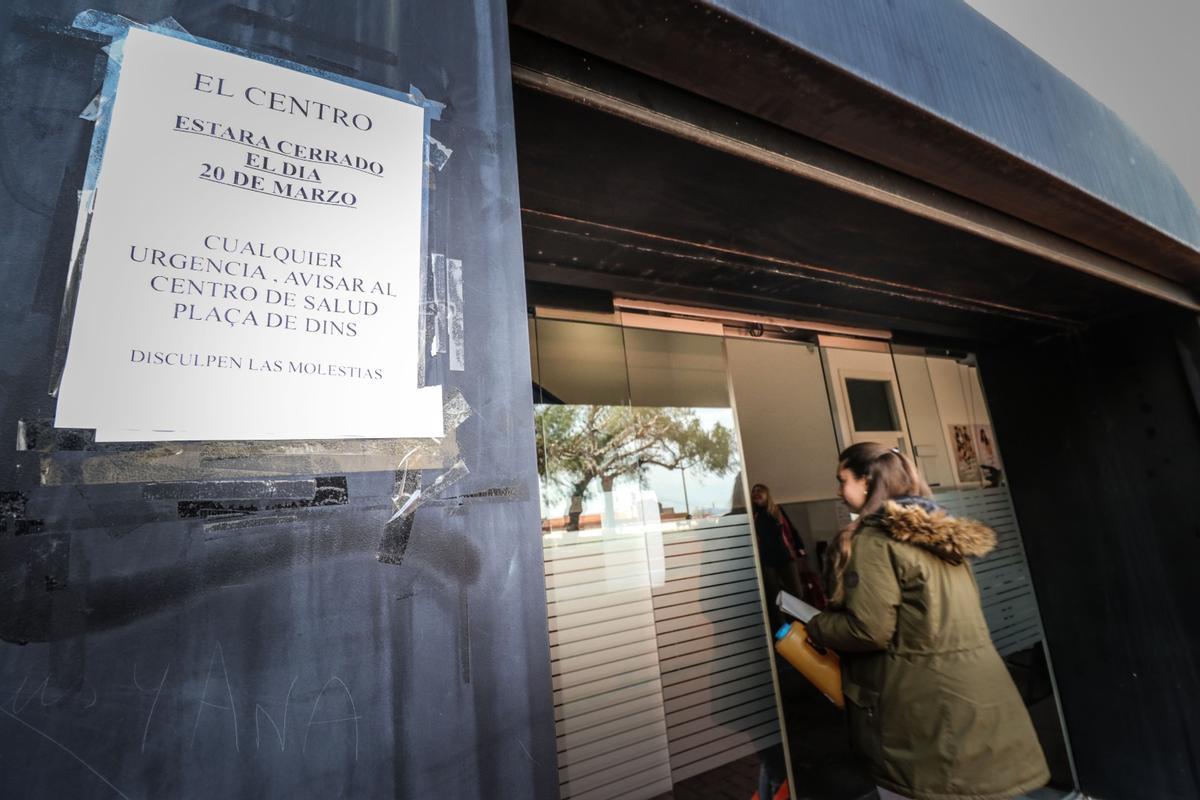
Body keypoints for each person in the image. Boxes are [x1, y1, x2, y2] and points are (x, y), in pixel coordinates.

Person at [805, 443, 1049, 800]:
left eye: (843, 480)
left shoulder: (876, 539)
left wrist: (816, 624)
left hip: (926, 710)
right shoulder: (941, 534)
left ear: (868, 483)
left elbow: (869, 630)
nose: (838, 491)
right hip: (980, 696)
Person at [750, 484, 825, 626]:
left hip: (785, 558)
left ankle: (802, 624)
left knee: (797, 592)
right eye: (754, 492)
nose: (756, 494)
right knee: (775, 597)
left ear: (767, 494)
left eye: (760, 491)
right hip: (767, 562)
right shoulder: (754, 516)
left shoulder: (777, 510)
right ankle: (783, 628)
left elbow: (792, 530)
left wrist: (800, 550)